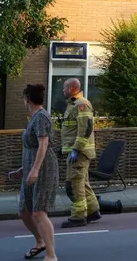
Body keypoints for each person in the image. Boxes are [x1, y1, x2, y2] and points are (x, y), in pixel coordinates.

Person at [8, 84, 59, 260]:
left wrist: (35, 169)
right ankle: (40, 242)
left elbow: (43, 144)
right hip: (32, 168)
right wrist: (24, 170)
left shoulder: (41, 117)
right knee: (24, 211)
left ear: (27, 99)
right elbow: (32, 148)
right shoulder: (34, 118)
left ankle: (51, 255)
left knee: (39, 212)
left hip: (44, 169)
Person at [60, 78, 100, 227]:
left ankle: (78, 216)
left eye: (64, 88)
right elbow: (72, 129)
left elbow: (85, 129)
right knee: (82, 182)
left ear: (71, 88)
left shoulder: (81, 104)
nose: (63, 91)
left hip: (79, 153)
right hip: (76, 151)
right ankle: (92, 210)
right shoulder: (73, 104)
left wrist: (76, 149)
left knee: (74, 184)